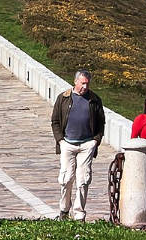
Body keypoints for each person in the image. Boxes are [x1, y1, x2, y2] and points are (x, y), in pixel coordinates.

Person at [51, 70, 106, 221]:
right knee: (66, 178)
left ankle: (79, 214)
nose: (85, 87)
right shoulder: (63, 98)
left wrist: (96, 140)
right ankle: (64, 210)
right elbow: (55, 121)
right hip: (67, 143)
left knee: (83, 180)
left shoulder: (95, 100)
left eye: (87, 84)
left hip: (87, 144)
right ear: (75, 82)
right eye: (82, 83)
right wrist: (60, 140)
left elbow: (101, 122)